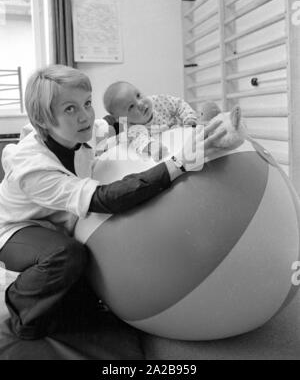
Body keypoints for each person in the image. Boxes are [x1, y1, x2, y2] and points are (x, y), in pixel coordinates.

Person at [0, 65, 225, 340]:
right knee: (65, 255)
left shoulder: (88, 128)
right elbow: (103, 198)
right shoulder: (32, 168)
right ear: (44, 119)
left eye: (86, 103)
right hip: (15, 228)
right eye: (69, 109)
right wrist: (179, 163)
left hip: (62, 220)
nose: (84, 116)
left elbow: (125, 119)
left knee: (84, 297)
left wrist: (196, 128)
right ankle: (20, 307)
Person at [103, 81, 198, 160]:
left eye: (138, 95)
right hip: (171, 145)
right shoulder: (132, 128)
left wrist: (189, 118)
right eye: (131, 106)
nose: (140, 104)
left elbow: (179, 104)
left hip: (182, 132)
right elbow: (140, 142)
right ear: (122, 119)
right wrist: (152, 146)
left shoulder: (159, 101)